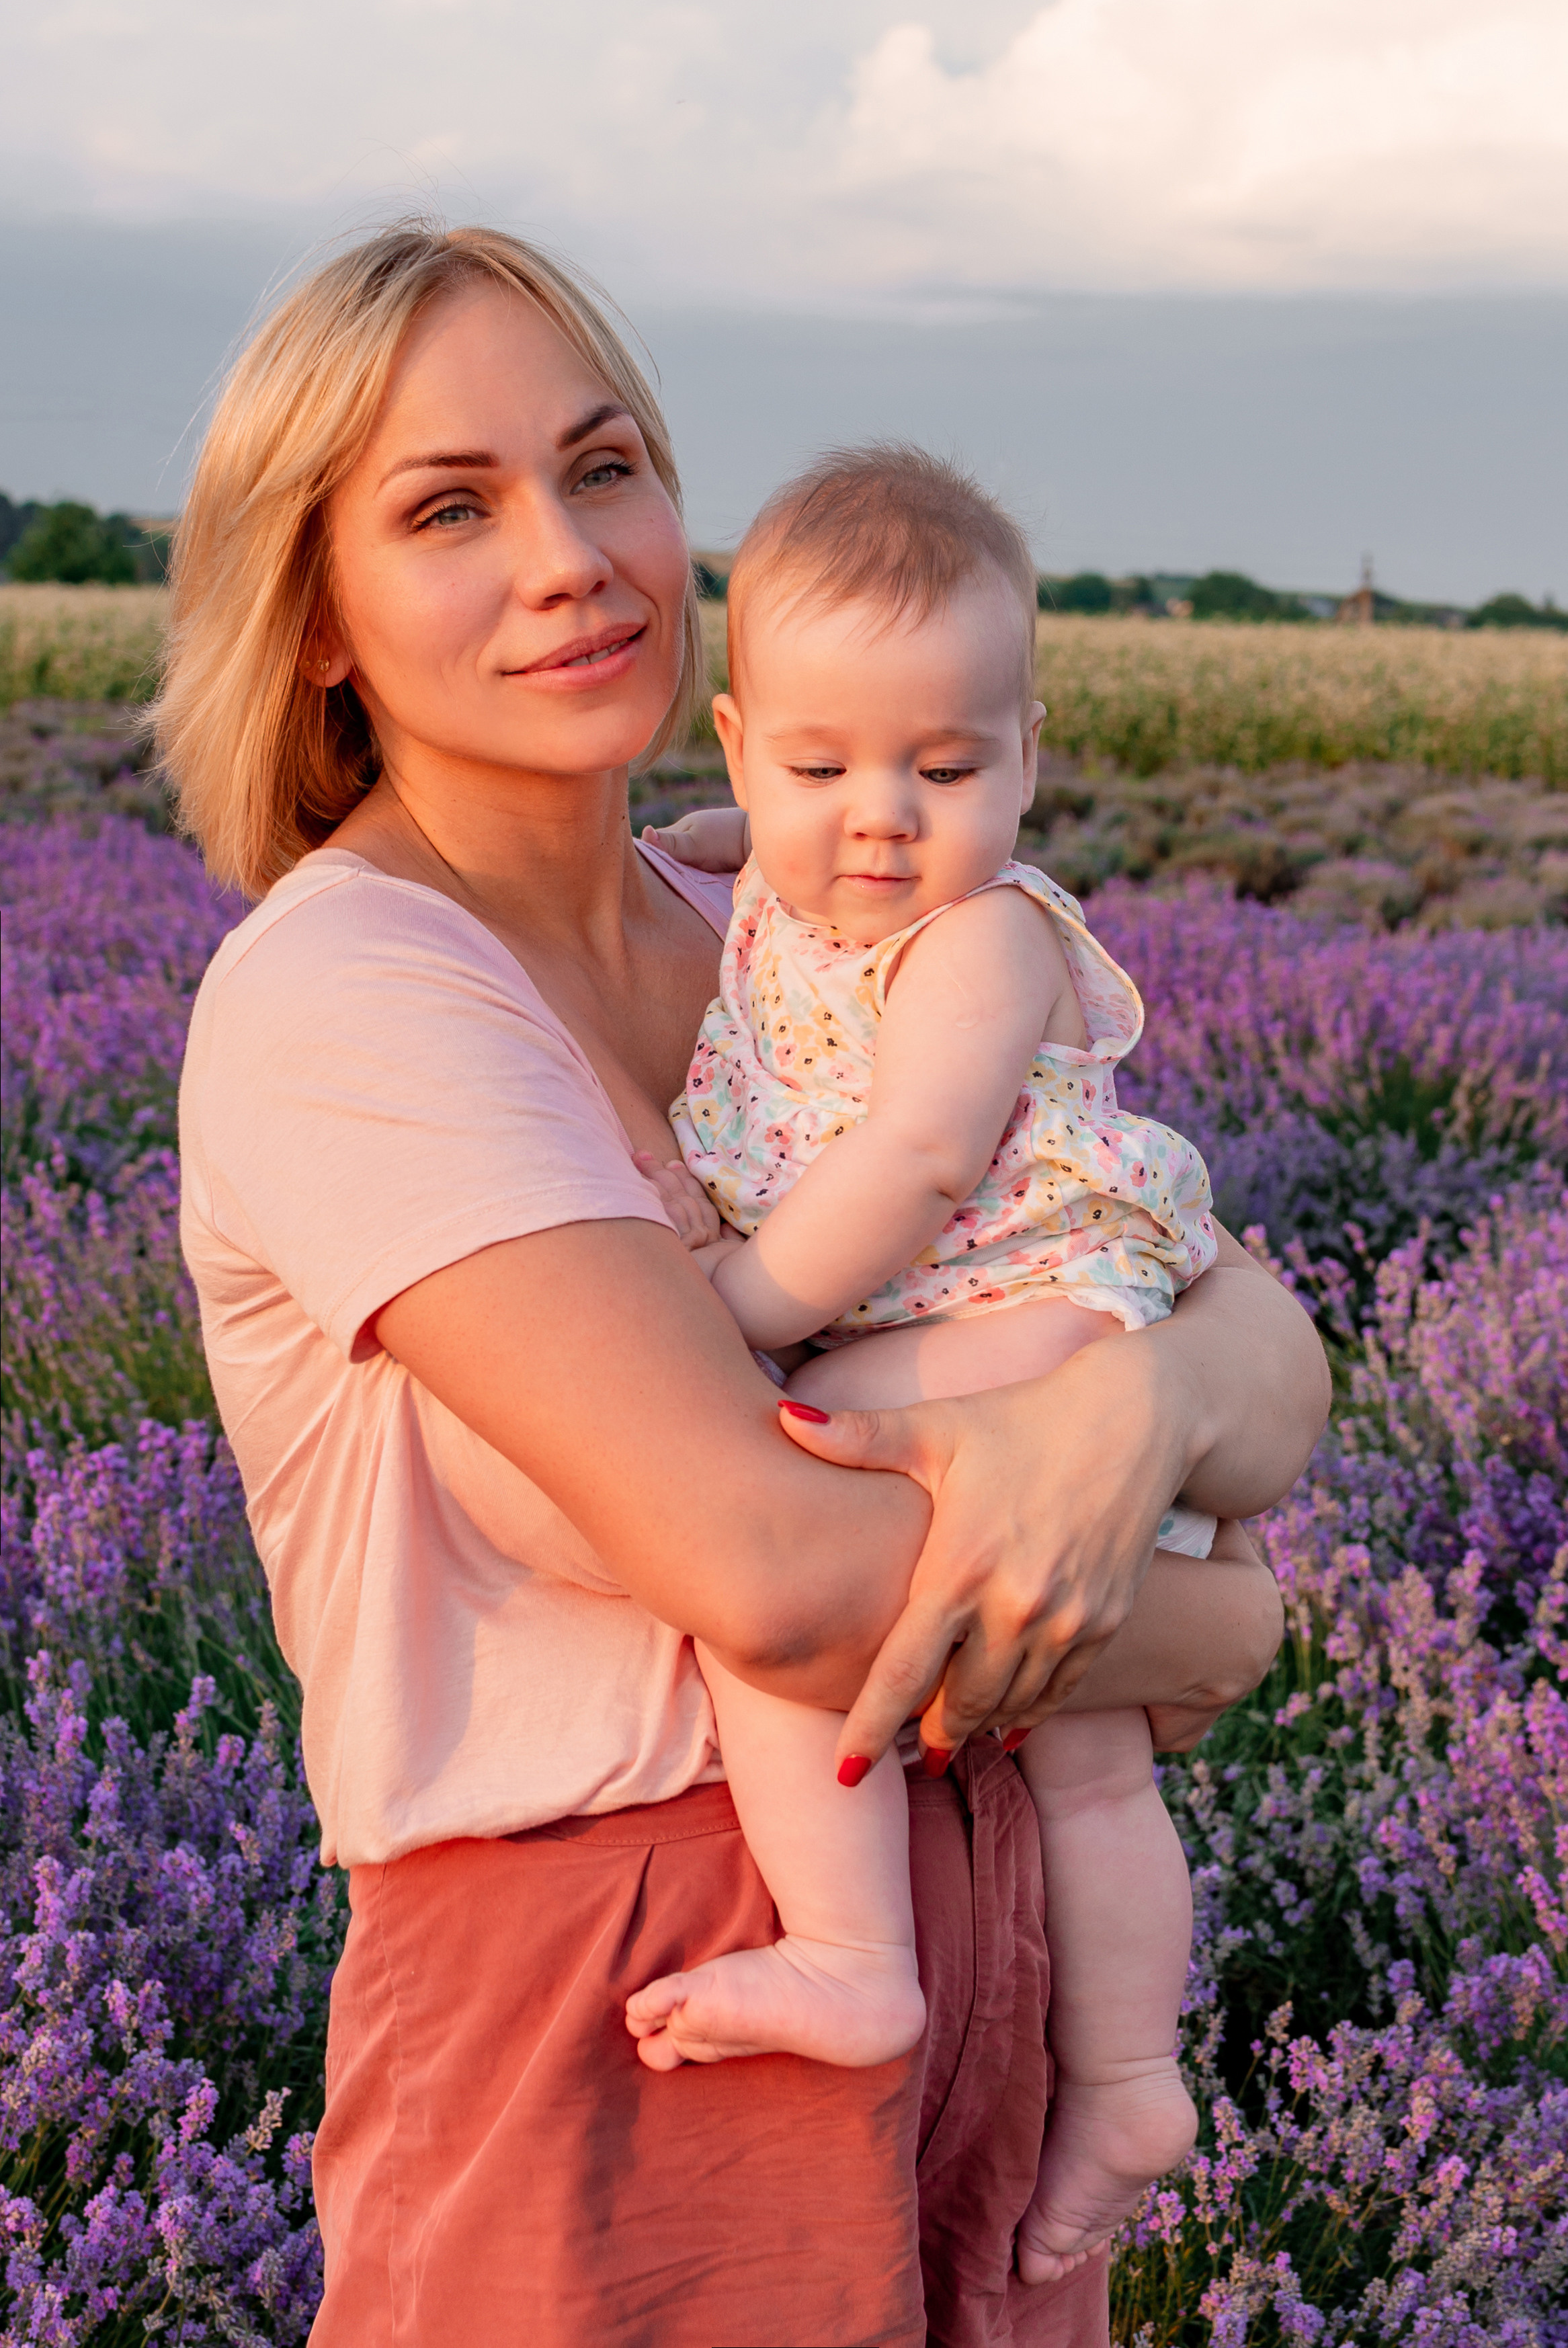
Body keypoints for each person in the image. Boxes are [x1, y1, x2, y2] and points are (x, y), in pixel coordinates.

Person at [165, 220, 1328, 2347]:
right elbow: (770, 1564)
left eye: (605, 467)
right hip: (629, 1990)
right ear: (318, 617)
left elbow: (1251, 1333)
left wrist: (1138, 1414)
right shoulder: (350, 996)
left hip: (978, 1921)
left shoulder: (777, 915)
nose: (571, 554)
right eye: (452, 506)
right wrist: (1223, 1615)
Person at [626, 445, 1257, 2283]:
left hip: (1028, 1330)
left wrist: (736, 1309)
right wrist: (692, 844)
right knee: (1091, 1772)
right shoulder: (775, 870)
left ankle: (851, 1954)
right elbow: (741, 841)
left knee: (760, 1527)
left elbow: (908, 1163)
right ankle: (1132, 2077)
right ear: (740, 749)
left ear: (1028, 761)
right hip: (992, 1335)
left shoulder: (979, 942)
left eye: (948, 767)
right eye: (823, 766)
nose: (881, 816)